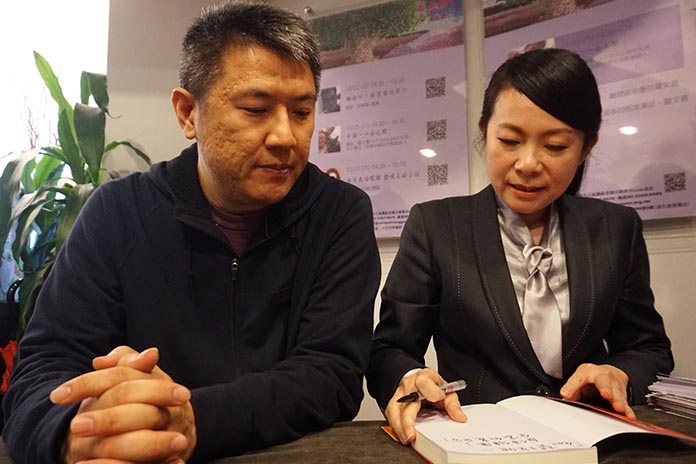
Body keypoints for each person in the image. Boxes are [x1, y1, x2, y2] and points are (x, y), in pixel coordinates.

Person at [2, 2, 380, 463]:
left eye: (301, 112)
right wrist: (77, 431)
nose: (285, 136)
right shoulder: (117, 212)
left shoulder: (339, 212)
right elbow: (42, 370)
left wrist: (189, 419)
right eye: (256, 109)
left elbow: (332, 373)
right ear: (187, 113)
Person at [366, 48, 673, 445]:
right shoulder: (436, 226)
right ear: (484, 131)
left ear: (587, 147)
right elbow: (390, 349)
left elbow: (649, 349)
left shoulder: (615, 228)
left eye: (555, 146)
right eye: (509, 140)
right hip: (477, 443)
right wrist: (411, 377)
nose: (527, 163)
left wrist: (618, 374)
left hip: (590, 445)